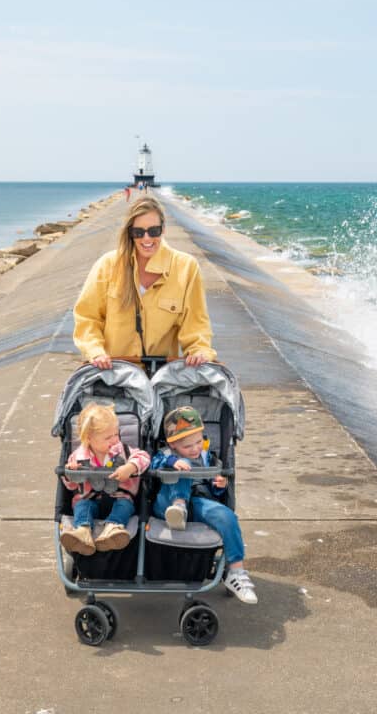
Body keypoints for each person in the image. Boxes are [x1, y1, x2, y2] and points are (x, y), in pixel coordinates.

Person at [73, 196, 216, 370]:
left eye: (153, 231)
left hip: (161, 377)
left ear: (163, 229)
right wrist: (96, 352)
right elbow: (88, 318)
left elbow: (196, 324)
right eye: (138, 232)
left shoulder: (186, 267)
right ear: (130, 233)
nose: (146, 239)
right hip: (113, 375)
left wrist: (199, 351)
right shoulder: (107, 265)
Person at [151, 406, 258, 604]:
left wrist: (220, 485)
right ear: (172, 444)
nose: (195, 449)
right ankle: (179, 506)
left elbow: (213, 487)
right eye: (187, 446)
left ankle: (236, 571)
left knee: (227, 517)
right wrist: (174, 461)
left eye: (198, 442)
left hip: (197, 503)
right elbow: (153, 463)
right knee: (185, 467)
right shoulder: (165, 454)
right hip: (166, 504)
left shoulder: (207, 457)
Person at [60, 402, 150, 555]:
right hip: (90, 499)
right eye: (108, 437)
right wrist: (71, 474)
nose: (115, 439)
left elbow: (144, 457)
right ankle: (83, 531)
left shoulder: (124, 451)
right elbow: (71, 487)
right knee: (81, 505)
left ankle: (113, 529)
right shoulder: (78, 457)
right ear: (88, 439)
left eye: (116, 434)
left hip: (119, 497)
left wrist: (131, 467)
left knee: (125, 506)